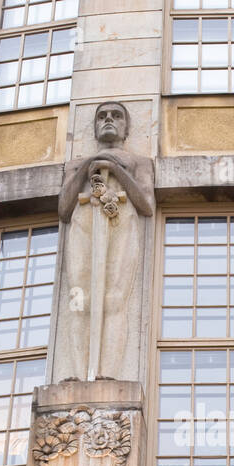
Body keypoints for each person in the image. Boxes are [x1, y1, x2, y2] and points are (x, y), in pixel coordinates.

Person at [56, 101, 154, 382]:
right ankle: (78, 373)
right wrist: (89, 167)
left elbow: (146, 203)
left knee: (113, 299)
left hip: (121, 224)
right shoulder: (77, 165)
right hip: (84, 226)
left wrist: (116, 169)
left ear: (126, 126)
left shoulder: (139, 163)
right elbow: (64, 207)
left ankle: (108, 374)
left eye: (116, 115)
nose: (108, 119)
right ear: (95, 126)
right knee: (79, 299)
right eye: (102, 116)